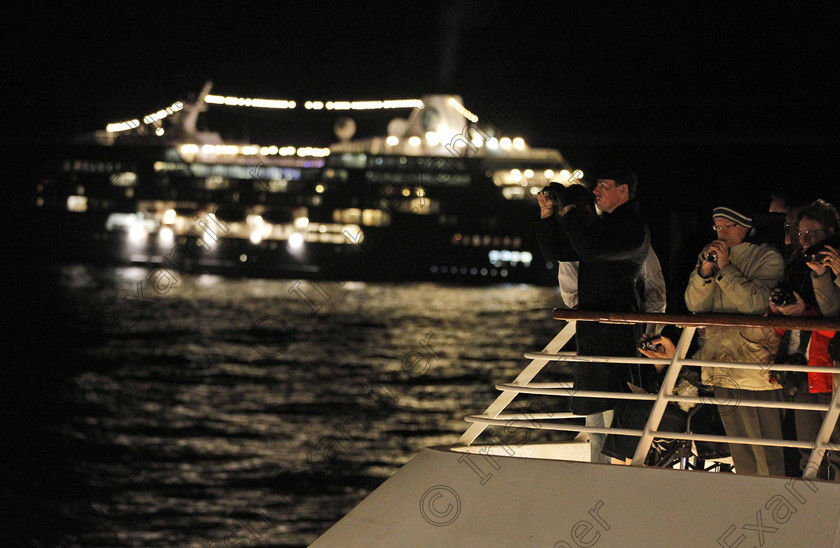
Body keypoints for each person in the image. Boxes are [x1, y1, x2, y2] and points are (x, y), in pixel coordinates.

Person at [535, 169, 650, 463]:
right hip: (593, 336)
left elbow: (589, 249)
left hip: (618, 337)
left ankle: (614, 487)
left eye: (603, 185)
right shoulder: (603, 227)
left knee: (615, 425)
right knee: (596, 425)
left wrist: (572, 212)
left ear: (624, 190)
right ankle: (599, 480)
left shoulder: (632, 229)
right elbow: (557, 251)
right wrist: (549, 215)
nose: (596, 190)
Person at [684, 205, 785, 476]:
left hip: (754, 366)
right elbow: (694, 304)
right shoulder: (710, 254)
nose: (722, 232)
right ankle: (748, 501)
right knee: (739, 447)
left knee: (767, 447)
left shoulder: (768, 256)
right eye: (718, 226)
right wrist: (704, 272)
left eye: (729, 226)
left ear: (747, 226)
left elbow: (755, 303)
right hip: (720, 364)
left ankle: (772, 501)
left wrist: (725, 267)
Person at [770, 199, 840, 479]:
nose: (805, 239)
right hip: (803, 370)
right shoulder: (797, 265)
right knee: (807, 452)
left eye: (812, 233)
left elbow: (832, 318)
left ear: (831, 231)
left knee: (835, 450)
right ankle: (811, 517)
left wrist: (804, 311)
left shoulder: (831, 263)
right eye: (801, 233)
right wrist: (780, 313)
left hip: (828, 368)